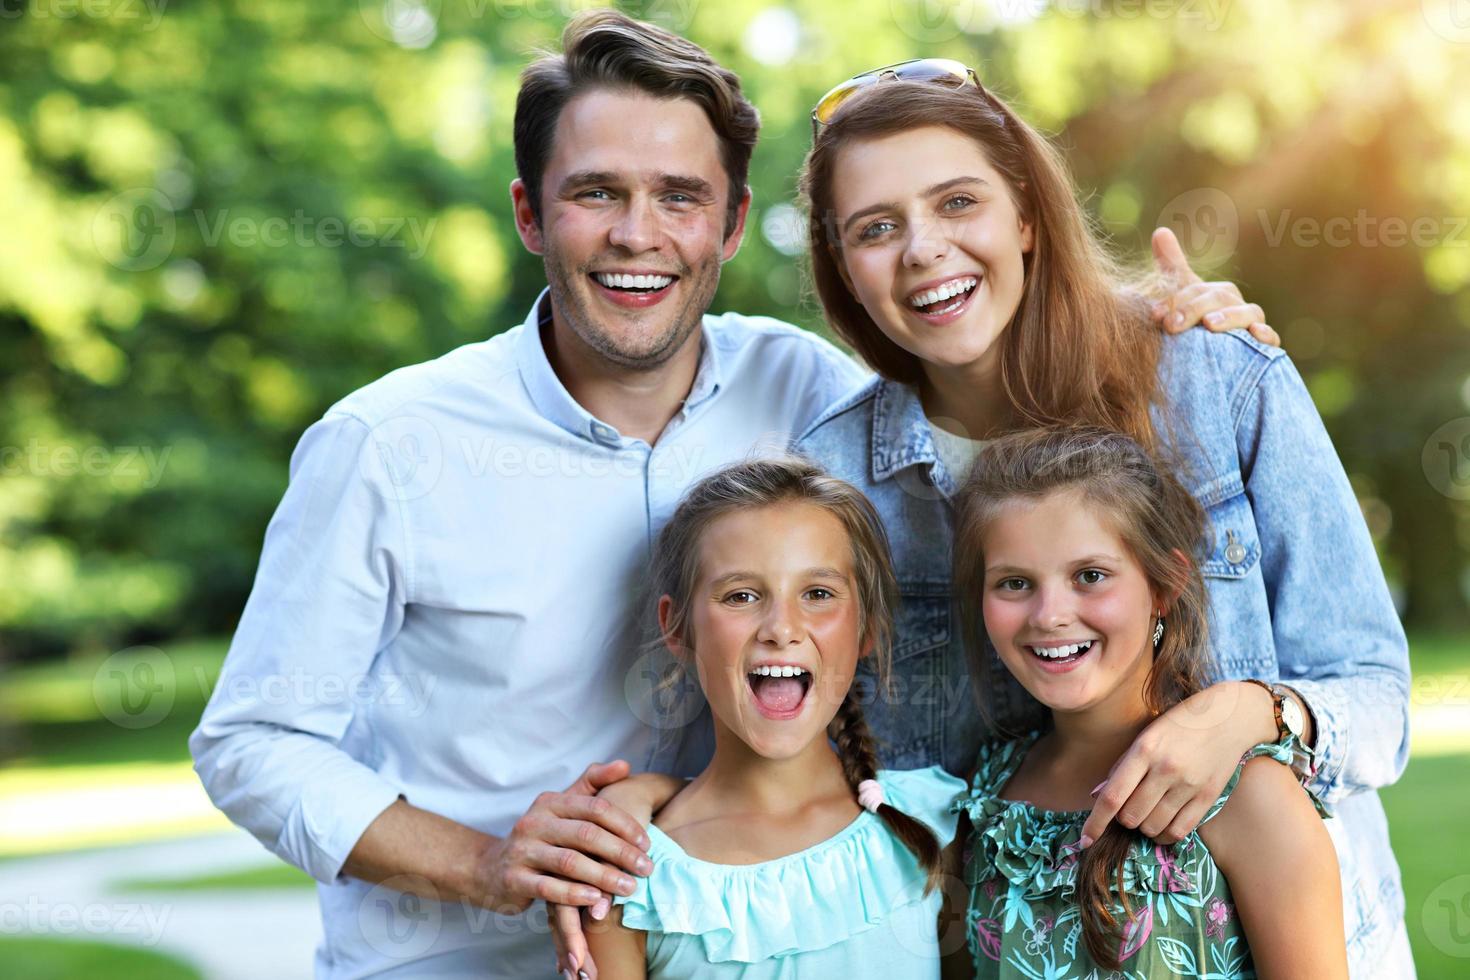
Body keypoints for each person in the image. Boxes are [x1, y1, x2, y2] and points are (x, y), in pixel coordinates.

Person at [187, 15, 1272, 977]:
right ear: (528, 212)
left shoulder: (810, 391)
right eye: (595, 193)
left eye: (680, 197)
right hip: (463, 956)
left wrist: (1151, 311)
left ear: (734, 223)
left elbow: (975, 377)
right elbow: (252, 740)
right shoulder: (390, 444)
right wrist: (487, 860)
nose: (637, 234)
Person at [794, 62, 1412, 977]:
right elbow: (819, 764)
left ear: (1028, 217)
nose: (922, 248)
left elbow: (1381, 701)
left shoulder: (1214, 377)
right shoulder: (839, 483)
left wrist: (1251, 712)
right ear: (845, 268)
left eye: (958, 202)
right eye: (876, 229)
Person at [949, 425, 1346, 978]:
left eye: (1090, 576)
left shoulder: (1250, 797)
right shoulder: (988, 792)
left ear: (1163, 587)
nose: (1049, 615)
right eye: (1014, 583)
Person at [584, 455, 967, 978]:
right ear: (677, 628)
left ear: (866, 628)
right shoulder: (628, 874)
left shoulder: (933, 825)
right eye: (740, 596)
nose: (780, 627)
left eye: (817, 594)